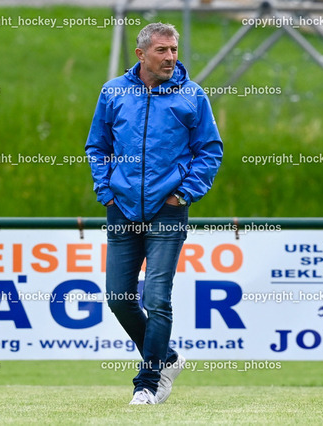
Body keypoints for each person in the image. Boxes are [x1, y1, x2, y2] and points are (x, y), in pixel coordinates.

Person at [85, 22, 223, 405]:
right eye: (162, 50)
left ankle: (147, 384)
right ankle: (168, 359)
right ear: (141, 54)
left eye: (174, 49)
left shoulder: (192, 96)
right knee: (118, 298)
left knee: (158, 299)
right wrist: (106, 192)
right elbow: (97, 147)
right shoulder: (113, 92)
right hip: (121, 210)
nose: (170, 57)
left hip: (168, 211)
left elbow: (210, 150)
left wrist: (183, 194)